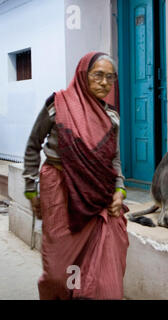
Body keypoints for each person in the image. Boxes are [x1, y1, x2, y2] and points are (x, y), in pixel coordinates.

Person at [22, 52, 129, 300]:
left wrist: (119, 190)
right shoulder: (57, 105)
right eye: (98, 75)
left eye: (110, 78)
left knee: (101, 274)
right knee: (58, 273)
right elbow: (32, 145)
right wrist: (30, 188)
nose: (104, 83)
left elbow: (114, 159)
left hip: (98, 196)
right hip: (59, 189)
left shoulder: (111, 117)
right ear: (83, 75)